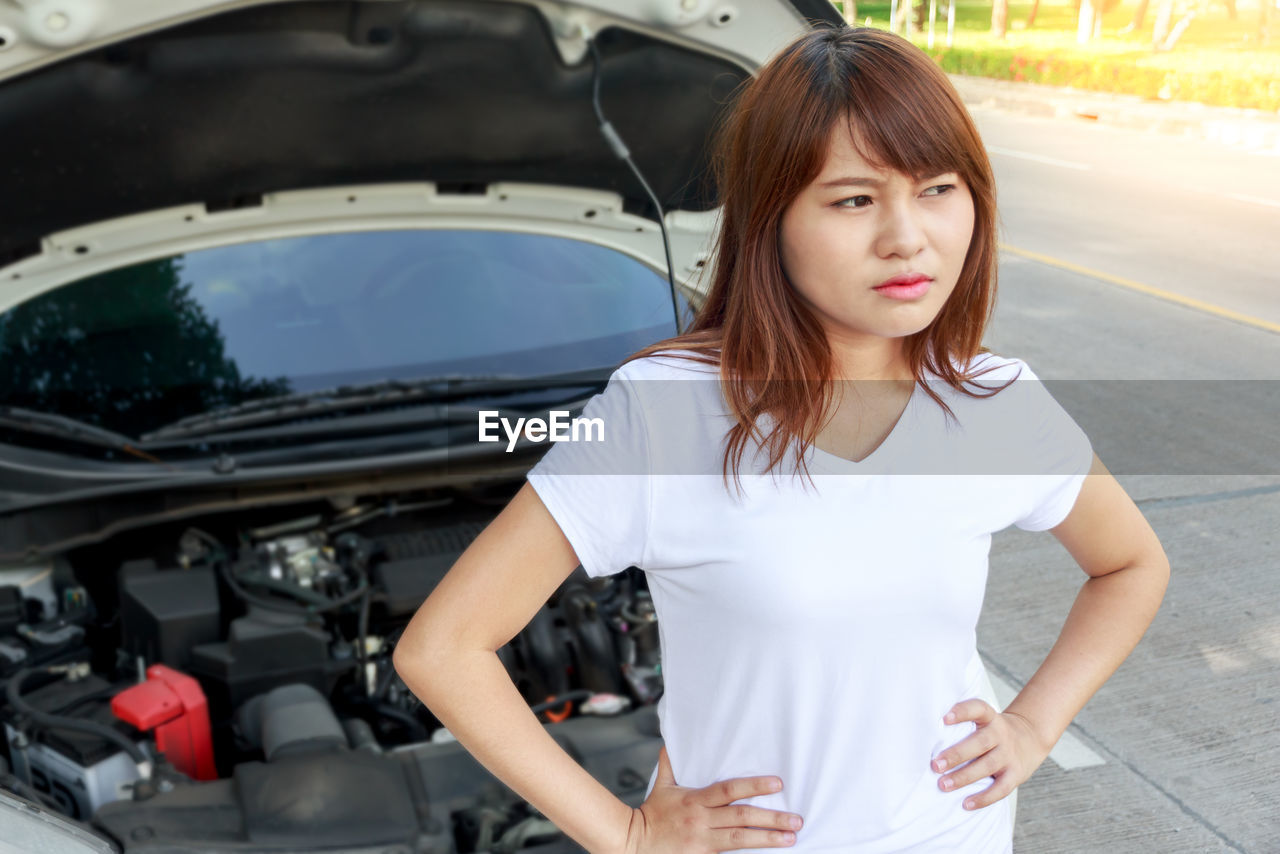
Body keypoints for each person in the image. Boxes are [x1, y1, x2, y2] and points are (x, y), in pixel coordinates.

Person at [392, 24, 1170, 854]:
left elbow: (1130, 564)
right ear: (772, 220)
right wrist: (624, 835)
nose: (907, 236)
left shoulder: (995, 401)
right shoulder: (663, 415)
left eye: (938, 188)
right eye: (854, 199)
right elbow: (443, 648)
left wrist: (1033, 725)